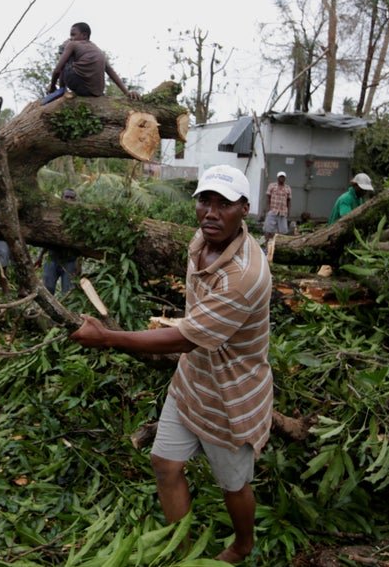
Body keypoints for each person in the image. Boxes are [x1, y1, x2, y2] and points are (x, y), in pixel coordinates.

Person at [70, 165, 273, 564]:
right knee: (165, 464)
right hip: (191, 381)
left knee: (233, 485)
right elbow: (192, 332)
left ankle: (243, 545)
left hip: (230, 397)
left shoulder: (243, 276)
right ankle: (184, 554)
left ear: (245, 208)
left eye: (224, 204)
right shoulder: (201, 240)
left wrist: (108, 338)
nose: (211, 213)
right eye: (205, 201)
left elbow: (185, 337)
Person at [47, 22, 141, 101]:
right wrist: (126, 92)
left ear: (84, 35)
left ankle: (61, 91)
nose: (71, 38)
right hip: (95, 92)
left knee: (64, 48)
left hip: (80, 87)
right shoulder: (97, 49)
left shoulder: (72, 44)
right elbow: (110, 71)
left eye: (73, 35)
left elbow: (57, 70)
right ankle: (62, 90)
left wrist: (52, 87)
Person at [41, 189, 80, 295]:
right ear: (61, 198)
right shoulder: (53, 215)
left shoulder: (79, 218)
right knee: (47, 288)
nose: (69, 200)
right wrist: (40, 257)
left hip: (70, 261)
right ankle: (46, 311)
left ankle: (65, 311)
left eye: (71, 198)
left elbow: (82, 245)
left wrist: (78, 263)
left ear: (75, 200)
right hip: (53, 259)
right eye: (66, 197)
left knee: (67, 292)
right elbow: (46, 240)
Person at [263, 171, 292, 239]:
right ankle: (266, 244)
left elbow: (288, 200)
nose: (281, 178)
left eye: (283, 177)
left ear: (285, 178)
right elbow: (268, 197)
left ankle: (279, 245)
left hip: (283, 212)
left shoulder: (288, 188)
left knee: (283, 231)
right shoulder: (272, 186)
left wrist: (288, 211)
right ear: (278, 178)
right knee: (268, 229)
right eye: (280, 177)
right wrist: (268, 209)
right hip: (273, 210)